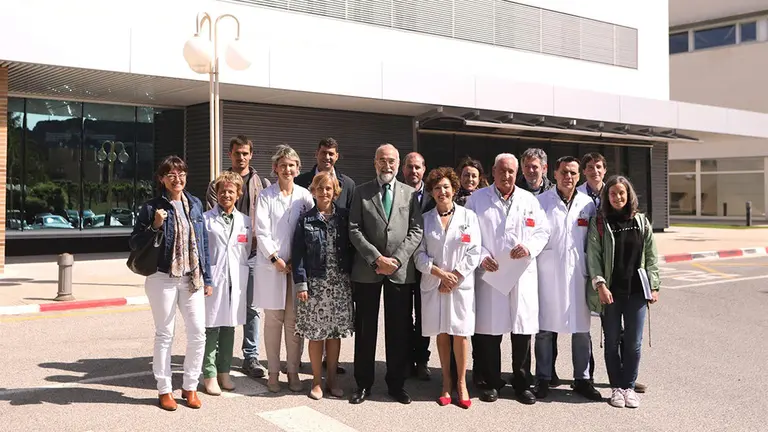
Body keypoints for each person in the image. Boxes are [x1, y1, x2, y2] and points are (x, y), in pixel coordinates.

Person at [466, 153, 550, 405]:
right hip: (490, 274)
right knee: (490, 331)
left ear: (518, 173)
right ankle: (492, 383)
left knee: (521, 331)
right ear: (493, 171)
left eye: (511, 171)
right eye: (502, 170)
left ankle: (522, 383)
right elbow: (467, 234)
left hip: (521, 274)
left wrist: (529, 247)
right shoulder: (477, 199)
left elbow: (543, 231)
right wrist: (481, 255)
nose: (506, 175)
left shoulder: (528, 200)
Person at [130, 155, 212, 411]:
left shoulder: (196, 204)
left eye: (181, 173)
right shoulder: (150, 207)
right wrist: (155, 225)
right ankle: (164, 389)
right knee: (165, 333)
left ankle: (190, 386)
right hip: (162, 278)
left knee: (198, 332)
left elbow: (203, 243)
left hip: (191, 277)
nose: (177, 179)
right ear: (162, 179)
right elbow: (134, 243)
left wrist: (207, 277)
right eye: (171, 174)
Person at [348, 143, 424, 405]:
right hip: (368, 270)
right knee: (366, 329)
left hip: (400, 272)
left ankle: (396, 384)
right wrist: (376, 258)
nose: (387, 165)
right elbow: (354, 228)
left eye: (391, 161)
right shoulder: (361, 192)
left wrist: (397, 260)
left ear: (398, 163)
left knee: (399, 329)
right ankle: (363, 384)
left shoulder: (410, 194)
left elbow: (416, 230)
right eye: (382, 160)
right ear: (375, 163)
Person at [587, 175, 660, 409]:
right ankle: (616, 387)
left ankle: (628, 386)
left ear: (629, 194)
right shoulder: (600, 222)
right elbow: (594, 257)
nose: (618, 197)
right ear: (606, 196)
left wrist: (654, 284)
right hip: (610, 292)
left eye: (622, 193)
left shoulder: (641, 221)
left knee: (633, 342)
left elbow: (651, 255)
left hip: (637, 292)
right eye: (612, 193)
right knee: (611, 342)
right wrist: (600, 285)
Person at [533, 156, 602, 401]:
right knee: (543, 330)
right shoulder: (540, 202)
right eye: (564, 172)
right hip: (547, 275)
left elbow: (593, 243)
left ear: (578, 176)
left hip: (578, 275)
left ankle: (582, 379)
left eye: (573, 173)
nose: (568, 177)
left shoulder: (587, 204)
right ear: (555, 172)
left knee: (581, 330)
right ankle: (542, 378)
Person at [414, 167, 481, 409]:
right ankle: (446, 382)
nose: (442, 191)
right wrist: (440, 274)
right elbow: (419, 255)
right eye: (436, 188)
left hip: (459, 285)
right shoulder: (425, 219)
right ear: (431, 193)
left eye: (446, 187)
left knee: (460, 334)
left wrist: (454, 277)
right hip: (435, 284)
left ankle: (462, 384)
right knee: (442, 333)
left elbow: (474, 251)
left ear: (454, 189)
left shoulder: (468, 217)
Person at [205, 135, 270, 380]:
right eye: (236, 153)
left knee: (251, 308)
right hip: (223, 256)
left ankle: (250, 356)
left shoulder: (260, 183)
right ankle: (219, 360)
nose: (240, 157)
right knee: (221, 307)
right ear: (229, 155)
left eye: (245, 153)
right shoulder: (217, 184)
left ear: (250, 155)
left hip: (250, 254)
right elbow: (215, 214)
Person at [253, 145, 314, 393]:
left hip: (297, 268)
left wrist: (300, 262)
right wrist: (274, 258)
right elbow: (261, 230)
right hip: (273, 267)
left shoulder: (304, 196)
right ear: (275, 168)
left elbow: (312, 229)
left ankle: (293, 373)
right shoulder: (266, 196)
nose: (287, 169)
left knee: (293, 322)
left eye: (292, 165)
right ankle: (273, 374)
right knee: (273, 322)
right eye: (283, 165)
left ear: (298, 169)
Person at [294, 137, 356, 375]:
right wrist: (301, 281)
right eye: (319, 188)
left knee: (334, 331)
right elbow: (299, 251)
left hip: (339, 280)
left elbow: (352, 240)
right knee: (314, 330)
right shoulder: (305, 215)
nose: (324, 192)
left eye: (328, 188)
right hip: (315, 280)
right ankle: (314, 377)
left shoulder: (346, 202)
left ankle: (331, 374)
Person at [202, 171, 252, 396]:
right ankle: (210, 374)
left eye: (231, 191)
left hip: (235, 280)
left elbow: (247, 249)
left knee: (230, 326)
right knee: (211, 326)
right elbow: (202, 251)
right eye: (222, 191)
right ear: (217, 193)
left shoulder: (245, 221)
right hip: (214, 279)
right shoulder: (205, 219)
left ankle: (224, 372)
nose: (226, 195)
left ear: (238, 194)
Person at [515, 147, 556, 386]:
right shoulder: (516, 191)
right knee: (523, 321)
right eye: (527, 166)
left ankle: (547, 370)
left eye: (535, 166)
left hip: (548, 265)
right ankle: (526, 372)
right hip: (521, 267)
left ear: (544, 168)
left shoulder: (554, 192)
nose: (531, 171)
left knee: (548, 323)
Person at [401, 151, 434, 381]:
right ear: (404, 170)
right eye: (410, 167)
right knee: (403, 317)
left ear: (424, 170)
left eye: (418, 167)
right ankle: (404, 361)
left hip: (426, 266)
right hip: (403, 266)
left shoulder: (434, 196)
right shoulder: (397, 193)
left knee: (424, 317)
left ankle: (422, 360)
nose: (413, 171)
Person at [295, 137, 356, 210]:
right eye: (324, 153)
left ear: (337, 156)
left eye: (331, 154)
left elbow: (353, 215)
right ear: (316, 154)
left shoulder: (348, 185)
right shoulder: (300, 181)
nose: (327, 157)